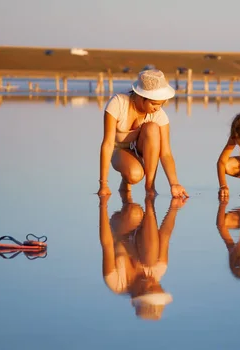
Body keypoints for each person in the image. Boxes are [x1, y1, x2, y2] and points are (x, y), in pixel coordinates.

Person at [97, 69, 189, 198]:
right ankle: (126, 177)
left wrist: (174, 184)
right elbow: (107, 144)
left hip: (141, 150)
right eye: (154, 104)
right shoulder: (117, 103)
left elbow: (166, 153)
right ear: (141, 96)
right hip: (118, 149)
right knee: (134, 175)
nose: (157, 108)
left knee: (152, 128)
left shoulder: (159, 115)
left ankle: (150, 186)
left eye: (161, 104)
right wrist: (103, 184)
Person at [98, 192, 187, 321]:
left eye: (151, 287)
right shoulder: (159, 270)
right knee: (151, 259)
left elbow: (107, 244)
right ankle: (148, 196)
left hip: (120, 228)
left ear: (137, 293)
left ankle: (126, 189)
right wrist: (174, 207)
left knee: (133, 213)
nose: (155, 281)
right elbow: (165, 236)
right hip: (143, 226)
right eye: (159, 287)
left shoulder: (116, 282)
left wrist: (103, 204)